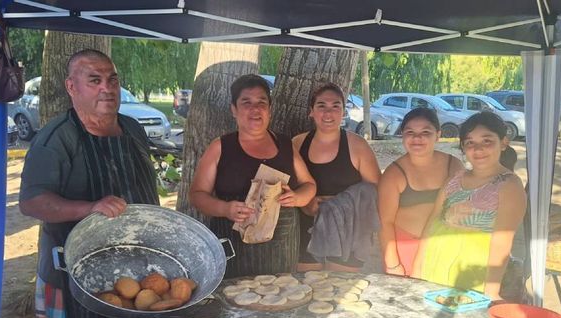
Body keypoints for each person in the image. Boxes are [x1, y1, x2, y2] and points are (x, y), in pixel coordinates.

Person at [19, 49, 160, 318]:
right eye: (94, 80)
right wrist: (91, 207)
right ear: (72, 87)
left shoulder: (132, 129)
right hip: (74, 275)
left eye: (112, 79)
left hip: (135, 270)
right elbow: (31, 201)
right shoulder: (57, 138)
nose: (106, 88)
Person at [189, 74, 316, 278]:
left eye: (261, 102)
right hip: (234, 247)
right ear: (234, 109)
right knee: (234, 296)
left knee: (282, 294)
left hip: (281, 249)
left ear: (269, 109)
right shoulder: (221, 147)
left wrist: (298, 198)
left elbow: (309, 184)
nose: (255, 109)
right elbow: (197, 195)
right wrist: (225, 209)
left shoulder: (285, 145)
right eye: (246, 102)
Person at [412, 111, 527, 299]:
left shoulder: (509, 186)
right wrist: (417, 267)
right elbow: (432, 222)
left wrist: (491, 291)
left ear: (503, 143)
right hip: (435, 264)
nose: (478, 149)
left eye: (487, 141)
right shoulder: (454, 180)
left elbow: (502, 242)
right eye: (470, 143)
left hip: (474, 274)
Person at [293, 83, 381, 272]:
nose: (328, 113)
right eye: (321, 106)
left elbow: (376, 191)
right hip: (306, 229)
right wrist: (304, 203)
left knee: (341, 287)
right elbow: (287, 186)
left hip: (348, 232)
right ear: (311, 111)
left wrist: (339, 206)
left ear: (343, 111)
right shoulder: (298, 143)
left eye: (335, 106)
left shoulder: (358, 146)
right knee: (307, 286)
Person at [377, 108, 462, 277]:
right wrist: (393, 264)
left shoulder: (453, 165)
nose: (417, 138)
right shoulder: (394, 174)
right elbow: (385, 222)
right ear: (402, 135)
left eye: (425, 132)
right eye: (410, 132)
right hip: (406, 249)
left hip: (445, 246)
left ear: (437, 135)